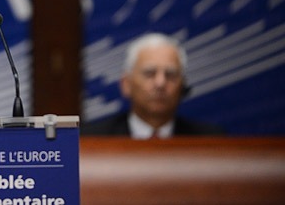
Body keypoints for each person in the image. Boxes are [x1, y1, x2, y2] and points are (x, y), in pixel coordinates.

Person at [81, 33, 223, 138]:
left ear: (182, 85)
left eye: (170, 74)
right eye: (149, 73)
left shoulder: (209, 140)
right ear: (126, 84)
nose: (160, 83)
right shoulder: (93, 139)